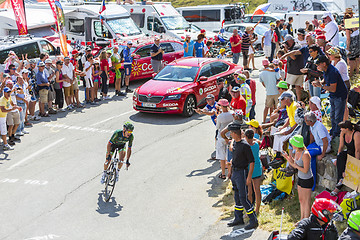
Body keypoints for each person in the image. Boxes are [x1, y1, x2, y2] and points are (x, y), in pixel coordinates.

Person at [227, 123, 258, 230]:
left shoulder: (245, 146)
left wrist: (249, 178)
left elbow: (252, 162)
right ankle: (238, 218)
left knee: (243, 198)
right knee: (237, 196)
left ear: (235, 133)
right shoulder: (235, 142)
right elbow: (232, 150)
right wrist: (230, 171)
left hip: (242, 173)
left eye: (231, 133)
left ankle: (253, 220)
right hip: (235, 172)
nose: (230, 134)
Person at [313, 55, 348, 137]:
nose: (317, 66)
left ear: (324, 63)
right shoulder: (326, 70)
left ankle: (337, 135)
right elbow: (325, 80)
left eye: (318, 64)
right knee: (332, 115)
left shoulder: (332, 72)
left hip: (339, 95)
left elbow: (333, 88)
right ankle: (333, 131)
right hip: (333, 95)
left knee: (337, 116)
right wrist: (320, 83)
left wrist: (320, 86)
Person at [282, 135, 313, 220]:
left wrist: (295, 166)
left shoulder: (305, 154)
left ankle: (305, 220)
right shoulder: (296, 152)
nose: (291, 144)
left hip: (307, 179)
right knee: (301, 200)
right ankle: (302, 219)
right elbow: (294, 164)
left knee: (306, 202)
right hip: (300, 178)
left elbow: (305, 170)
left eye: (293, 143)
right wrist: (287, 158)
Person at [332, 121, 360, 195]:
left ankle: (338, 187)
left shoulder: (356, 134)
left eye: (342, 128)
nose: (340, 130)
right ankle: (340, 180)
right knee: (341, 156)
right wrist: (337, 158)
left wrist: (356, 164)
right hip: (349, 152)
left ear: (347, 129)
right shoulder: (343, 134)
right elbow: (341, 147)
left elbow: (357, 150)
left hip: (357, 154)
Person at [304, 112, 331, 191]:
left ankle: (313, 182)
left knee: (308, 154)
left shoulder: (319, 127)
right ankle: (311, 180)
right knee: (305, 151)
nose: (305, 121)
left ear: (310, 121)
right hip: (317, 144)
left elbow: (325, 141)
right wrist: (309, 146)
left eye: (306, 120)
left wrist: (322, 155)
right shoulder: (312, 125)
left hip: (324, 146)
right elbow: (312, 136)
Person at [244, 129, 262, 216]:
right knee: (257, 191)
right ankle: (257, 209)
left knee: (249, 192)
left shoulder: (246, 147)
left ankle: (250, 209)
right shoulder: (256, 145)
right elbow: (257, 141)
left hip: (249, 170)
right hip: (257, 168)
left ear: (246, 137)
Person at [281, 34, 304, 101]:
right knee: (297, 86)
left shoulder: (296, 47)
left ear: (290, 41)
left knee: (286, 86)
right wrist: (286, 49)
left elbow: (293, 57)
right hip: (298, 71)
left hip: (293, 71)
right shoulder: (295, 46)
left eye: (286, 42)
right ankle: (298, 100)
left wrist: (286, 50)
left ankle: (285, 100)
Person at [216, 99, 234, 179]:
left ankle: (223, 174)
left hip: (221, 137)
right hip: (230, 136)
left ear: (222, 107)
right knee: (229, 156)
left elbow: (217, 127)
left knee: (222, 157)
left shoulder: (220, 116)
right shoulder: (232, 114)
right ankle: (230, 174)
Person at [5, 80, 21, 145]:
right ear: (6, 85)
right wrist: (13, 90)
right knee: (10, 125)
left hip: (15, 109)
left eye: (11, 84)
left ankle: (13, 135)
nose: (11, 85)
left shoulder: (13, 91)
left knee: (17, 124)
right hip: (9, 111)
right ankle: (9, 138)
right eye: (9, 84)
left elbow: (21, 92)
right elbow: (7, 96)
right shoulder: (6, 91)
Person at [344, 13, 360, 78]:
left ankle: (351, 76)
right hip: (357, 44)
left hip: (352, 45)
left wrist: (347, 48)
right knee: (357, 59)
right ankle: (357, 74)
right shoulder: (355, 25)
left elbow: (348, 39)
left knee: (351, 60)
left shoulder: (348, 28)